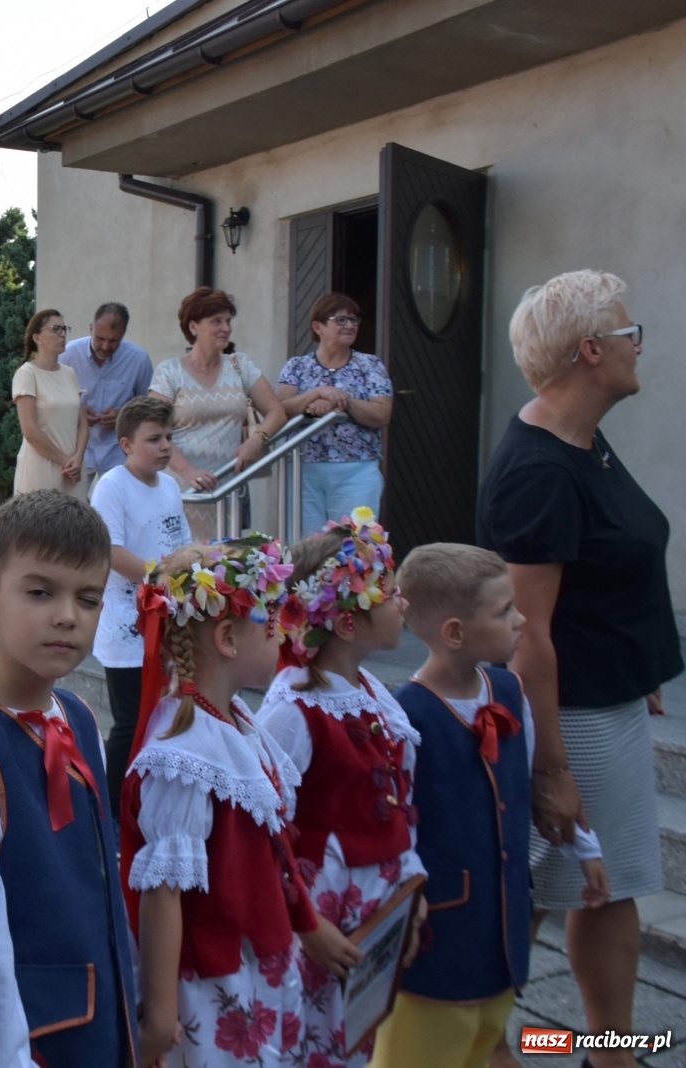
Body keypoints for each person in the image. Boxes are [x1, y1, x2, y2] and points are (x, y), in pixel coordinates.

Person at [476, 269, 677, 1068]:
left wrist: (638, 656)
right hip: (573, 718)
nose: (638, 346)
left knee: (609, 886)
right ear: (591, 351)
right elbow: (526, 635)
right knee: (529, 890)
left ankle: (608, 1050)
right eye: (630, 333)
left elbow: (608, 566)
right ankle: (479, 1044)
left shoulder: (583, 441)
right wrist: (550, 769)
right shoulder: (538, 470)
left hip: (610, 696)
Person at [376, 544, 608, 1068]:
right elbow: (396, 829)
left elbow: (529, 787)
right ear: (455, 632)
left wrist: (583, 848)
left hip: (500, 927)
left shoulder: (507, 687)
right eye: (504, 611)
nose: (522, 619)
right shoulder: (404, 716)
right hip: (438, 938)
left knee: (483, 1040)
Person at [0, 491, 137, 1066]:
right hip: (33, 1034)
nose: (67, 615)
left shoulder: (76, 716)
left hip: (103, 1017)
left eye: (88, 597)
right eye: (41, 592)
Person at [121, 536, 317, 1068]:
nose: (283, 632)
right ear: (227, 637)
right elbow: (164, 893)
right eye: (270, 621)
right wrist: (160, 1016)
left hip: (254, 955)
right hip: (214, 978)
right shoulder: (183, 753)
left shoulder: (230, 720)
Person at [257, 512, 425, 1068]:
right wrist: (306, 923)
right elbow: (266, 828)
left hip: (373, 902)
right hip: (325, 911)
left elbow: (395, 797)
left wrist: (407, 890)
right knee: (316, 1041)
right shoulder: (294, 709)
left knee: (357, 1036)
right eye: (389, 593)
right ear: (348, 624)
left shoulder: (371, 690)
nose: (401, 601)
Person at [89, 395, 189, 813]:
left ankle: (151, 795)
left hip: (168, 617)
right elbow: (109, 550)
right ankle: (113, 809)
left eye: (168, 437)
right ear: (127, 444)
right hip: (127, 624)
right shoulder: (112, 485)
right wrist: (160, 579)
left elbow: (181, 543)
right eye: (154, 439)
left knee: (166, 712)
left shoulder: (169, 485)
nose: (165, 446)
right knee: (131, 720)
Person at [151, 287, 288, 541]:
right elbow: (152, 430)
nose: (226, 328)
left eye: (228, 321)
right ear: (194, 327)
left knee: (222, 567)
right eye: (217, 321)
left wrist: (256, 440)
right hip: (182, 489)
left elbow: (276, 412)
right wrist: (188, 471)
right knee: (181, 567)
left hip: (227, 489)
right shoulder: (169, 372)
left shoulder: (240, 365)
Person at [275, 294, 393, 531]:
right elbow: (278, 410)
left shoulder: (370, 365)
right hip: (302, 470)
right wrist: (316, 394)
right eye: (340, 320)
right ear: (318, 326)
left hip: (355, 471)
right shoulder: (297, 366)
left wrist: (342, 401)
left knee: (354, 548)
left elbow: (382, 414)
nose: (350, 325)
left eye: (353, 320)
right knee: (306, 549)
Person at [61, 301, 154, 497]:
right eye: (100, 338)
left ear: (124, 333)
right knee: (67, 508)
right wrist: (76, 415)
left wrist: (123, 415)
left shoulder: (138, 359)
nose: (105, 346)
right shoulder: (68, 355)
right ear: (91, 328)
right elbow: (54, 401)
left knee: (120, 506)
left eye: (113, 341)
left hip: (118, 449)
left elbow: (149, 408)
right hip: (77, 450)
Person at [12, 308, 89, 498]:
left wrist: (77, 458)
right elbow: (30, 430)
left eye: (64, 329)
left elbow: (83, 423)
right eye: (56, 329)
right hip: (41, 468)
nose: (62, 334)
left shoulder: (69, 373)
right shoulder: (26, 374)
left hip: (73, 471)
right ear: (37, 337)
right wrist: (65, 461)